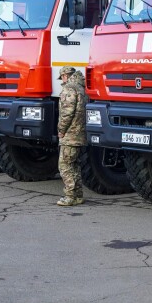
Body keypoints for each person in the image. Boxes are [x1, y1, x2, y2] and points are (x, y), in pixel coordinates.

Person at [56, 65, 87, 207]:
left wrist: (61, 130)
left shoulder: (69, 88)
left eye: (62, 77)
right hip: (80, 133)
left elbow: (67, 113)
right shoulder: (81, 88)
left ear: (65, 75)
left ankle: (70, 196)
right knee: (74, 165)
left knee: (64, 165)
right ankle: (78, 195)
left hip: (70, 134)